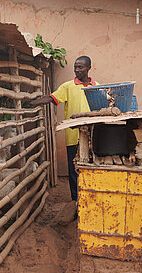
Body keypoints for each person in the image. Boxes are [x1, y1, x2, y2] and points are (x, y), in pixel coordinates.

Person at [31, 55, 97, 204]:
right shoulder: (68, 86)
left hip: (92, 135)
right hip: (73, 135)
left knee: (91, 166)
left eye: (80, 67)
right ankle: (75, 199)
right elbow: (52, 98)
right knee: (73, 169)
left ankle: (90, 196)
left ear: (88, 68)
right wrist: (34, 102)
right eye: (75, 67)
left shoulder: (96, 86)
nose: (77, 70)